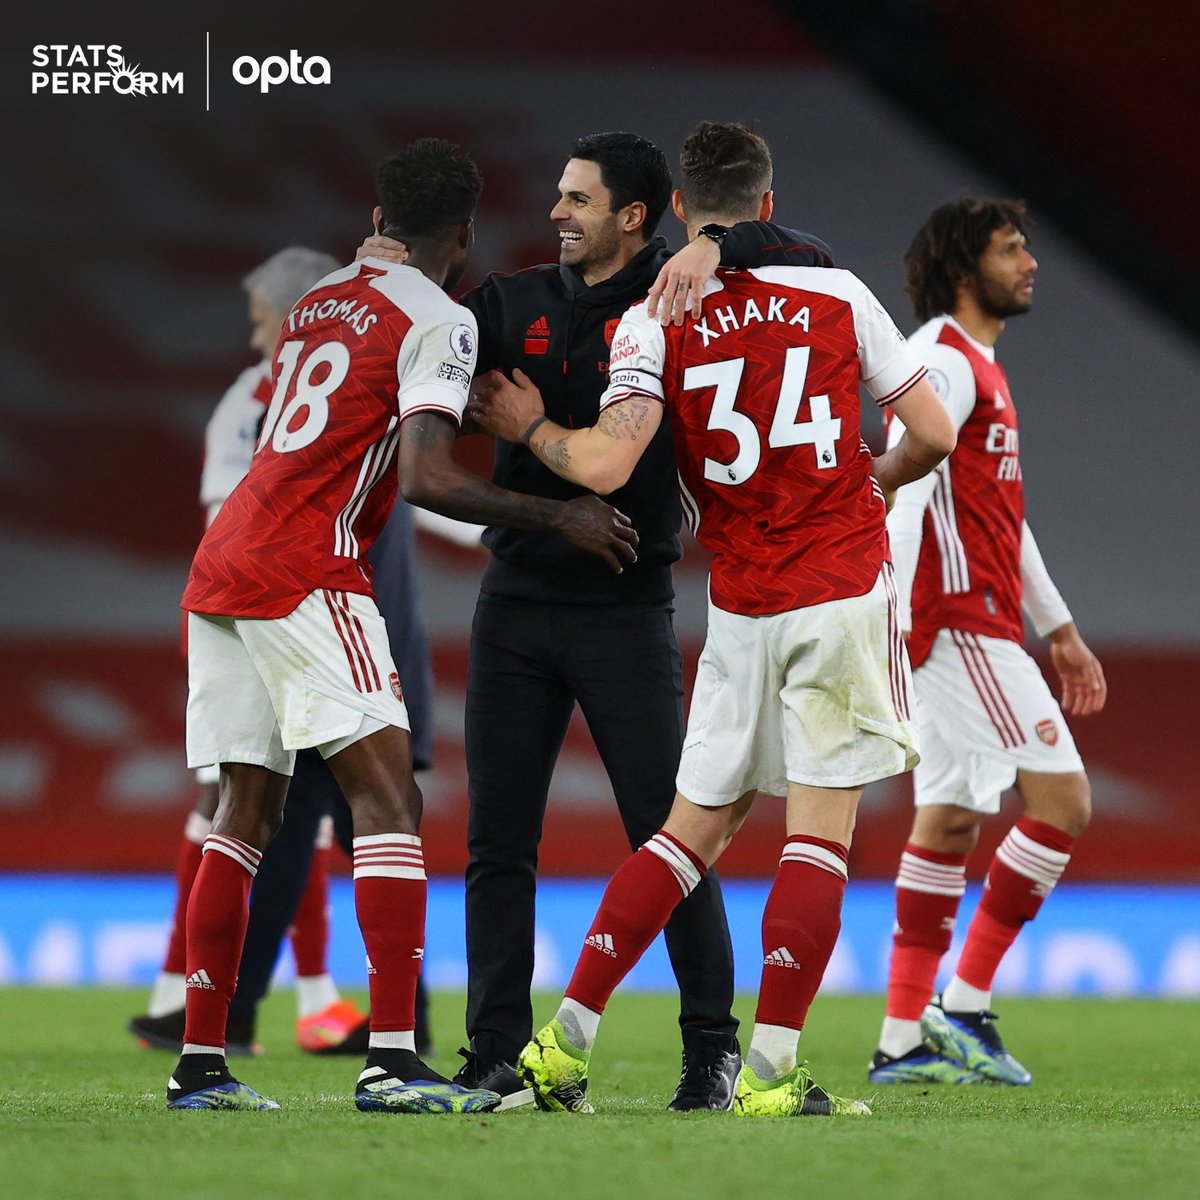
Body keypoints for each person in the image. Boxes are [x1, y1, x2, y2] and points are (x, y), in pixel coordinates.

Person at [470, 121, 956, 1117]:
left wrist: (531, 427)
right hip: (839, 586)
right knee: (818, 836)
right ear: (768, 206)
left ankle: (559, 1048)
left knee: (686, 833)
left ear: (684, 210)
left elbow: (605, 464)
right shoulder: (839, 293)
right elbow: (935, 432)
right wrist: (875, 475)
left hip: (738, 603)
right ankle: (770, 1075)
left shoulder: (652, 317)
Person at [360, 130, 841, 1111]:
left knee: (672, 836)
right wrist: (384, 275)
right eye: (560, 196)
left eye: (577, 199)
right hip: (515, 604)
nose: (556, 213)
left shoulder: (681, 298)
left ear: (634, 215)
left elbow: (809, 256)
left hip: (626, 610)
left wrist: (717, 242)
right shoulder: (508, 304)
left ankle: (709, 1050)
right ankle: (496, 1054)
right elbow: (419, 354)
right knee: (497, 844)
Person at [169, 137, 636, 1113]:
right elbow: (423, 475)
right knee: (389, 800)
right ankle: (391, 1060)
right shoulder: (438, 318)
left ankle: (200, 1064)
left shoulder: (317, 300)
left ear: (379, 219)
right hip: (308, 566)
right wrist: (561, 512)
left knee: (241, 815)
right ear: (462, 236)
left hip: (223, 565)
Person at [867, 198, 1106, 1086]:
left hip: (977, 618)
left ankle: (900, 1042)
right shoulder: (941, 359)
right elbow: (901, 492)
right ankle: (963, 1005)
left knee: (952, 817)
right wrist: (893, 622)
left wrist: (1061, 629)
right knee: (1064, 801)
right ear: (966, 269)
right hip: (955, 621)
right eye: (1011, 249)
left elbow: (1003, 516)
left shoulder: (975, 363)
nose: (1030, 262)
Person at [129, 247, 369, 1056]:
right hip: (253, 606)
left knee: (284, 807)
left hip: (274, 604)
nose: (257, 336)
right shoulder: (253, 397)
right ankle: (192, 994)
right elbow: (233, 519)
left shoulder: (298, 386)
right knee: (246, 802)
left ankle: (295, 997)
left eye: (264, 320)